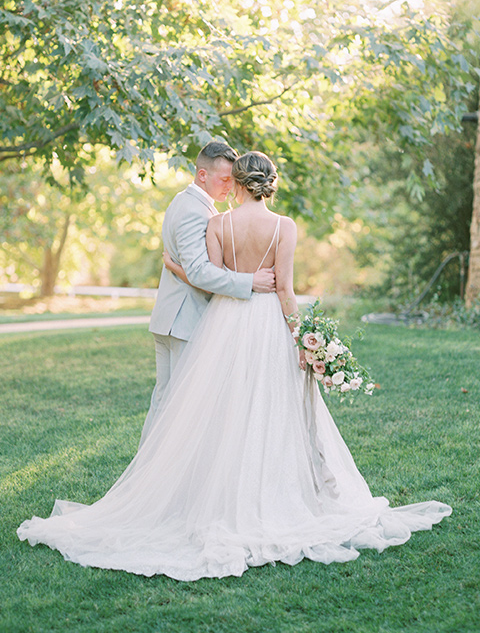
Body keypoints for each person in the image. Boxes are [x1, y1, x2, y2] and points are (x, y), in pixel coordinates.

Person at [17, 151, 451, 581]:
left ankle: (212, 494)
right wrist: (302, 336)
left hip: (224, 324)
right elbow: (286, 290)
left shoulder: (217, 224)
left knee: (222, 409)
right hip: (268, 325)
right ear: (268, 183)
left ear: (238, 183)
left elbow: (214, 279)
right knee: (271, 407)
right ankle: (274, 494)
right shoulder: (284, 226)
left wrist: (181, 271)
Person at [141, 141, 275, 445]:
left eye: (234, 180)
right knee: (181, 407)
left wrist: (175, 268)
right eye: (225, 179)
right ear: (203, 174)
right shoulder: (193, 210)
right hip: (184, 320)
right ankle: (160, 480)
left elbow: (188, 265)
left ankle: (148, 476)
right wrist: (250, 281)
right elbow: (201, 272)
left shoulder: (188, 202)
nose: (231, 186)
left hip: (172, 318)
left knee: (165, 403)